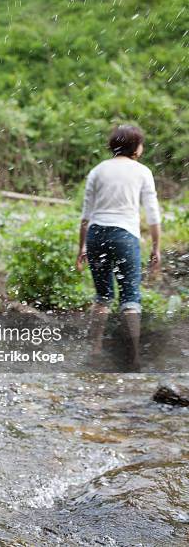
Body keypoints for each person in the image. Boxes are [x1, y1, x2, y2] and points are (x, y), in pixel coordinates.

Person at [76, 125, 161, 369]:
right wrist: (156, 247)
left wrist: (82, 246)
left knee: (102, 297)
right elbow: (153, 215)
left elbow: (86, 215)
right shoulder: (142, 172)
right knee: (130, 297)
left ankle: (94, 351)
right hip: (125, 236)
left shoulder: (98, 170)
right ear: (135, 147)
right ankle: (133, 357)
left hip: (96, 235)